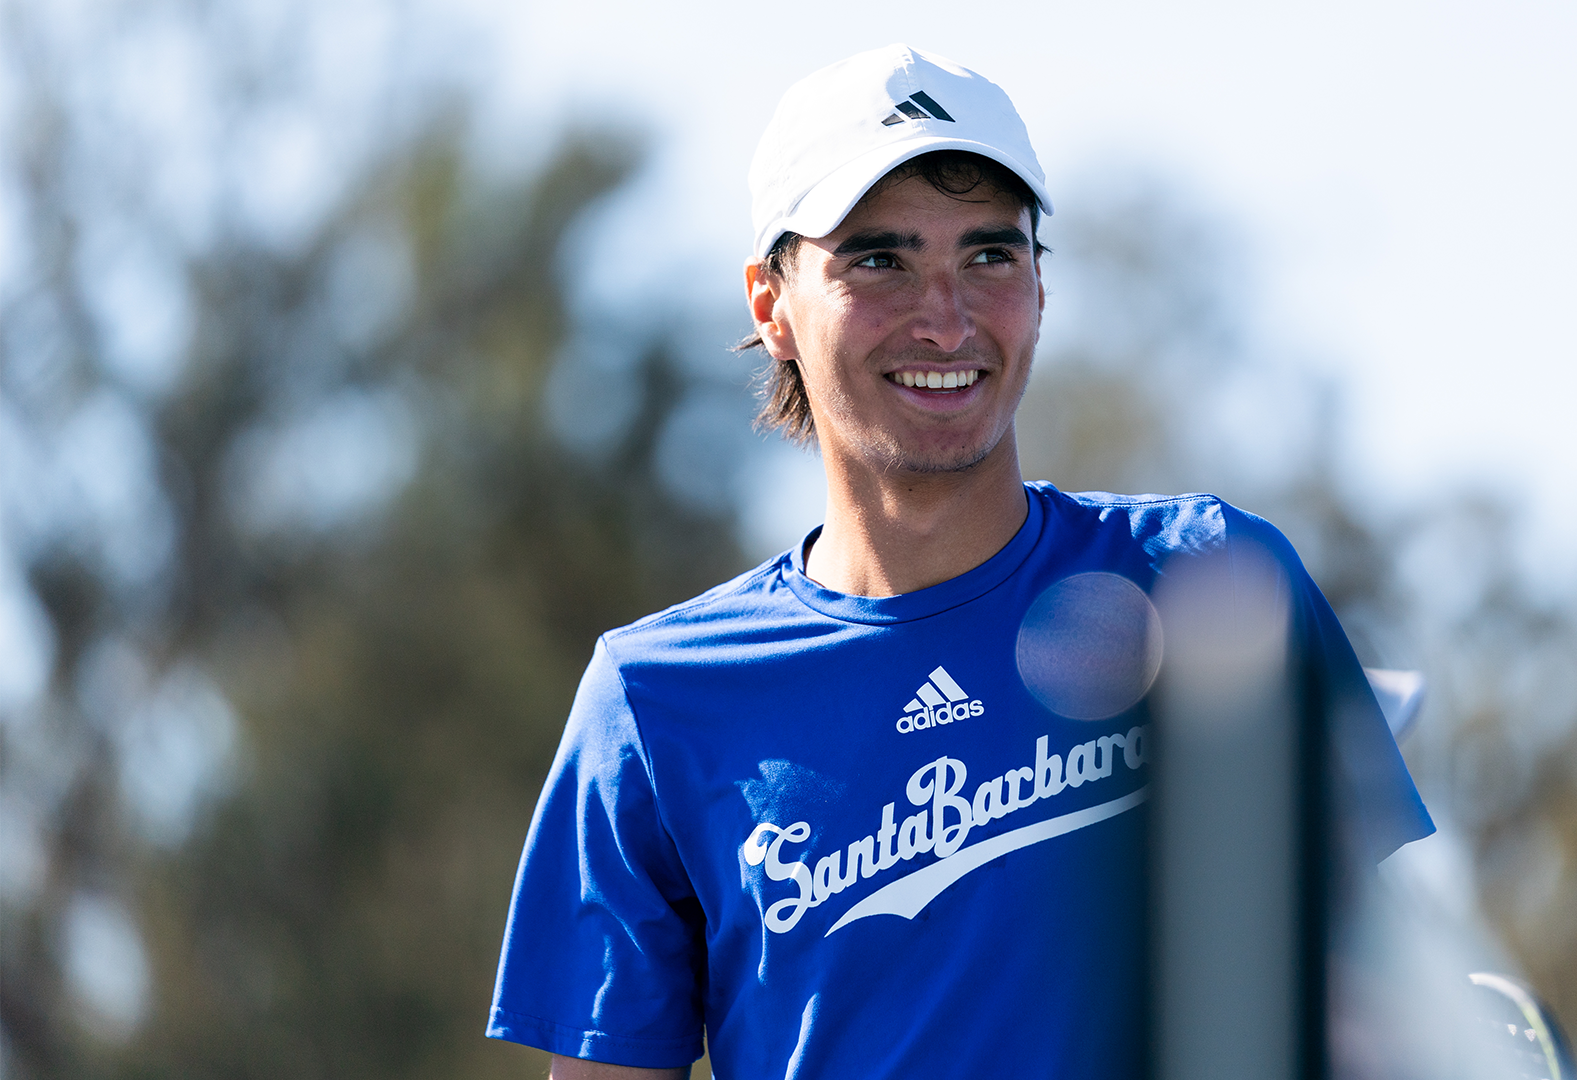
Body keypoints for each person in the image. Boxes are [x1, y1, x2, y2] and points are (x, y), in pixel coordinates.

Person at [486, 44, 1433, 1080]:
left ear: (1039, 283)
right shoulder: (654, 702)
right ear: (771, 305)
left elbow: (1376, 1010)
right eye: (879, 260)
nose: (947, 316)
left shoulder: (1211, 582)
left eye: (989, 255)